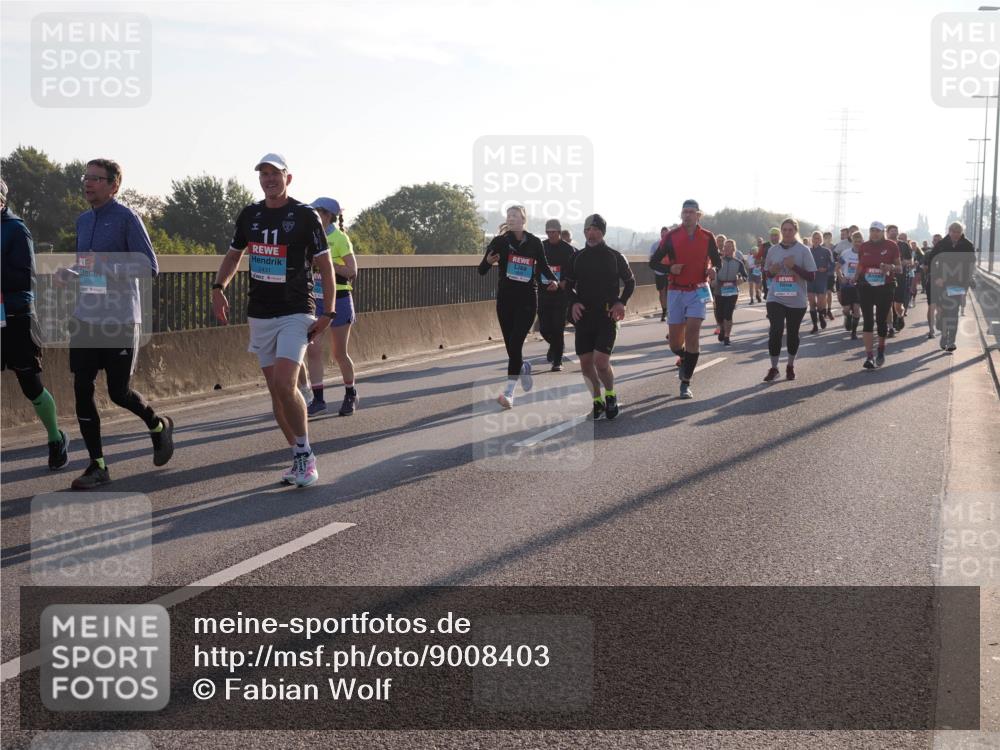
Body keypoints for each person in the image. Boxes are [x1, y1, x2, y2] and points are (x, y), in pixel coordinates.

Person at [212, 153, 333, 487]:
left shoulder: (306, 216)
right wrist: (218, 287)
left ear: (288, 178)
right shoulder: (250, 215)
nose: (269, 180)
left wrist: (328, 312)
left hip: (296, 309)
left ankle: (307, 455)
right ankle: (297, 455)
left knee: (284, 384)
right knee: (276, 394)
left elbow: (325, 266)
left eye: (275, 174)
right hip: (260, 313)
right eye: (263, 175)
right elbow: (235, 255)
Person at [53, 158, 174, 489]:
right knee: (82, 386)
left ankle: (158, 426)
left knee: (119, 392)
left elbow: (149, 267)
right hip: (86, 317)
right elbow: (88, 267)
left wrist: (107, 270)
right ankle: (98, 465)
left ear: (113, 185)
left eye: (96, 178)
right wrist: (71, 273)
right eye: (86, 177)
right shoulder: (82, 221)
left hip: (120, 319)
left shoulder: (127, 219)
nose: (88, 183)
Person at [1, 178, 69, 470]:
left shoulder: (17, 229)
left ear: (2, 199)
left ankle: (56, 438)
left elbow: (25, 277)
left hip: (17, 316)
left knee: (30, 384)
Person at [479, 205, 557, 409]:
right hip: (505, 301)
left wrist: (554, 281)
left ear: (523, 219)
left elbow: (543, 266)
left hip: (528, 300)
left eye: (515, 215)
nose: (511, 218)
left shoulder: (534, 242)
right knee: (511, 348)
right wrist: (488, 261)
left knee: (516, 344)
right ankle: (522, 367)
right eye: (508, 215)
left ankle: (509, 393)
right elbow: (481, 270)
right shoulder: (500, 241)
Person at [566, 214, 635, 419]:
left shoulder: (615, 256)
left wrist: (621, 302)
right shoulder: (577, 257)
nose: (591, 233)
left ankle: (610, 394)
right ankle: (597, 399)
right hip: (584, 317)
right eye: (588, 229)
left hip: (607, 315)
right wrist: (573, 302)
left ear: (602, 232)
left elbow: (630, 282)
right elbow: (567, 286)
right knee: (586, 365)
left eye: (595, 229)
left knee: (601, 362)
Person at [649, 199, 719, 400]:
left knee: (693, 334)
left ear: (698, 215)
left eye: (691, 212)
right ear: (681, 214)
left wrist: (714, 269)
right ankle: (684, 356)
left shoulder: (707, 237)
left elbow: (717, 261)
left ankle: (685, 381)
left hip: (698, 290)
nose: (687, 215)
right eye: (684, 212)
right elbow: (653, 262)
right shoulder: (671, 236)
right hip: (675, 291)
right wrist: (669, 268)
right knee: (674, 344)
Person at [304, 197, 358, 417]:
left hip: (340, 299)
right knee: (313, 349)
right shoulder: (311, 237)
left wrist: (328, 265)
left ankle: (350, 393)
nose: (314, 215)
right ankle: (318, 400)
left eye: (317, 212)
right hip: (315, 300)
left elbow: (352, 271)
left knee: (339, 353)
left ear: (326, 215)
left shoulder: (340, 238)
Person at [761, 218, 816, 381]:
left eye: (790, 230)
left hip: (797, 299)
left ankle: (790, 365)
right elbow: (767, 274)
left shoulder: (804, 250)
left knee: (792, 334)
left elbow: (811, 276)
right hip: (775, 297)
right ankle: (774, 367)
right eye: (784, 230)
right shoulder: (773, 250)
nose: (786, 233)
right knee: (776, 330)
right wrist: (771, 270)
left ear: (795, 231)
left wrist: (794, 267)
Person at [854, 221, 901, 369]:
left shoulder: (892, 246)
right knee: (868, 320)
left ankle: (880, 349)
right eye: (872, 230)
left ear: (883, 232)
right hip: (866, 286)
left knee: (881, 321)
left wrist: (890, 267)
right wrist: (855, 278)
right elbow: (860, 264)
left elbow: (899, 268)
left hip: (885, 287)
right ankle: (869, 356)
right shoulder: (864, 246)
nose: (874, 233)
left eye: (878, 231)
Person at [925, 222, 975, 352]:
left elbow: (971, 264)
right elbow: (932, 260)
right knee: (942, 311)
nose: (955, 235)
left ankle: (951, 340)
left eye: (958, 232)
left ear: (961, 233)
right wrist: (936, 277)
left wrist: (969, 281)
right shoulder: (942, 244)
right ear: (949, 231)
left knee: (953, 312)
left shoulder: (968, 245)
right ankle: (942, 331)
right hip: (941, 283)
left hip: (957, 283)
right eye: (953, 232)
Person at [538, 218, 576, 372]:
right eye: (548, 232)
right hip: (543, 292)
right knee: (544, 329)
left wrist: (561, 283)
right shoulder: (541, 247)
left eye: (553, 232)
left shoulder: (568, 250)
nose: (550, 235)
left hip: (561, 294)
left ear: (559, 232)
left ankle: (557, 361)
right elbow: (535, 268)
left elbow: (573, 272)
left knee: (557, 327)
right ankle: (555, 345)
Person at [714, 238, 747, 345]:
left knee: (728, 314)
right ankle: (722, 329)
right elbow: (712, 274)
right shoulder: (718, 261)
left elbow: (745, 276)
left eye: (729, 247)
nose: (726, 249)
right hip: (719, 290)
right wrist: (712, 280)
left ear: (733, 249)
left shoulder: (738, 262)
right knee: (719, 315)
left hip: (732, 291)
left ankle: (727, 336)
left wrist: (741, 279)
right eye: (725, 247)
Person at [835, 230, 863, 339]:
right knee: (846, 309)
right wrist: (841, 277)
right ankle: (848, 317)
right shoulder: (846, 253)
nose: (857, 243)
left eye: (859, 241)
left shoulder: (864, 254)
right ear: (852, 241)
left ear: (862, 241)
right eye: (856, 241)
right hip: (846, 285)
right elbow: (837, 267)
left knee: (856, 308)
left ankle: (854, 332)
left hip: (859, 285)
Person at [807, 230, 834, 333]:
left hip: (822, 279)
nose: (816, 240)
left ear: (821, 239)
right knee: (811, 302)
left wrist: (826, 269)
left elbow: (832, 265)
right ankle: (814, 326)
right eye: (815, 238)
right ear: (812, 239)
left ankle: (821, 316)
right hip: (810, 280)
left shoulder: (826, 251)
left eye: (818, 238)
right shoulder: (807, 251)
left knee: (821, 303)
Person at [650, 227, 670, 321]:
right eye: (662, 234)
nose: (664, 236)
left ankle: (670, 310)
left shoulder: (673, 244)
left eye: (666, 234)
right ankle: (664, 311)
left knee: (670, 292)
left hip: (671, 272)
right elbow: (651, 259)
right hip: (659, 272)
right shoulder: (655, 245)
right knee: (662, 292)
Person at [823, 230, 837, 320]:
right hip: (821, 274)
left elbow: (837, 260)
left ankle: (829, 310)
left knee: (829, 292)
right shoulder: (820, 247)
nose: (828, 239)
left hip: (831, 274)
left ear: (831, 238)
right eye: (826, 238)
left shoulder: (834, 248)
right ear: (823, 238)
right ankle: (823, 310)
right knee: (822, 294)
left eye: (829, 237)